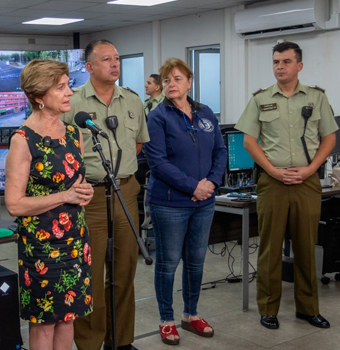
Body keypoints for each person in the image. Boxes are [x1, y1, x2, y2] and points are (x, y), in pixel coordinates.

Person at [235, 42, 338, 330]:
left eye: (286, 61)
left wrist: (309, 170)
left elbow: (329, 138)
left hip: (307, 182)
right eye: (276, 62)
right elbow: (249, 141)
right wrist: (273, 171)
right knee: (270, 248)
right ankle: (268, 308)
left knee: (307, 246)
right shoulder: (260, 99)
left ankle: (308, 309)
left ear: (299, 66)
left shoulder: (316, 98)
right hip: (273, 182)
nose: (280, 66)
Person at [61, 39, 149, 350]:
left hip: (125, 190)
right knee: (90, 275)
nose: (114, 64)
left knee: (124, 271)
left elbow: (138, 144)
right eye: (106, 59)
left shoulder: (133, 101)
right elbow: (60, 153)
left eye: (117, 58)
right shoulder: (71, 104)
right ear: (89, 67)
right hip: (89, 197)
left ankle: (121, 341)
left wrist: (120, 171)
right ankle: (90, 343)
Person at [5, 59, 94, 350]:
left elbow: (74, 183)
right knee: (44, 323)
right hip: (41, 246)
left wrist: (84, 192)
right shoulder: (23, 140)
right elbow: (15, 204)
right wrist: (65, 197)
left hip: (75, 240)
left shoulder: (73, 134)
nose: (70, 92)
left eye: (68, 85)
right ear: (39, 97)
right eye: (61, 87)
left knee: (68, 318)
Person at [144, 58, 227, 345]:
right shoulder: (157, 117)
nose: (171, 84)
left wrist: (211, 183)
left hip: (203, 202)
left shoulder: (205, 113)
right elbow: (157, 163)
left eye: (177, 79)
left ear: (189, 82)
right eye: (166, 80)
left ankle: (190, 314)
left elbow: (220, 151)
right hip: (169, 204)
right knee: (168, 263)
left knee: (196, 262)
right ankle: (166, 319)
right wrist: (194, 186)